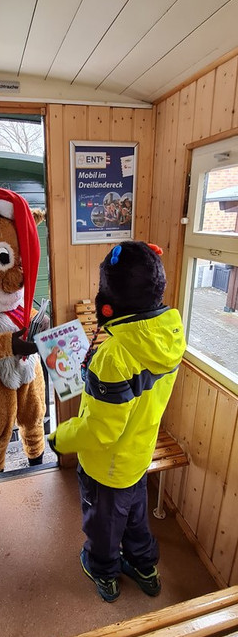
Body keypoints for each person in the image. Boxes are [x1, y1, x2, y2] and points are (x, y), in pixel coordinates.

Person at [48, 241, 186, 602]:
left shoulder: (113, 356)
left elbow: (100, 431)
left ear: (109, 301)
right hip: (139, 454)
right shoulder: (170, 331)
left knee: (104, 524)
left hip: (106, 467)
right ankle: (145, 567)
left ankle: (104, 571)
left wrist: (60, 437)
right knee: (137, 515)